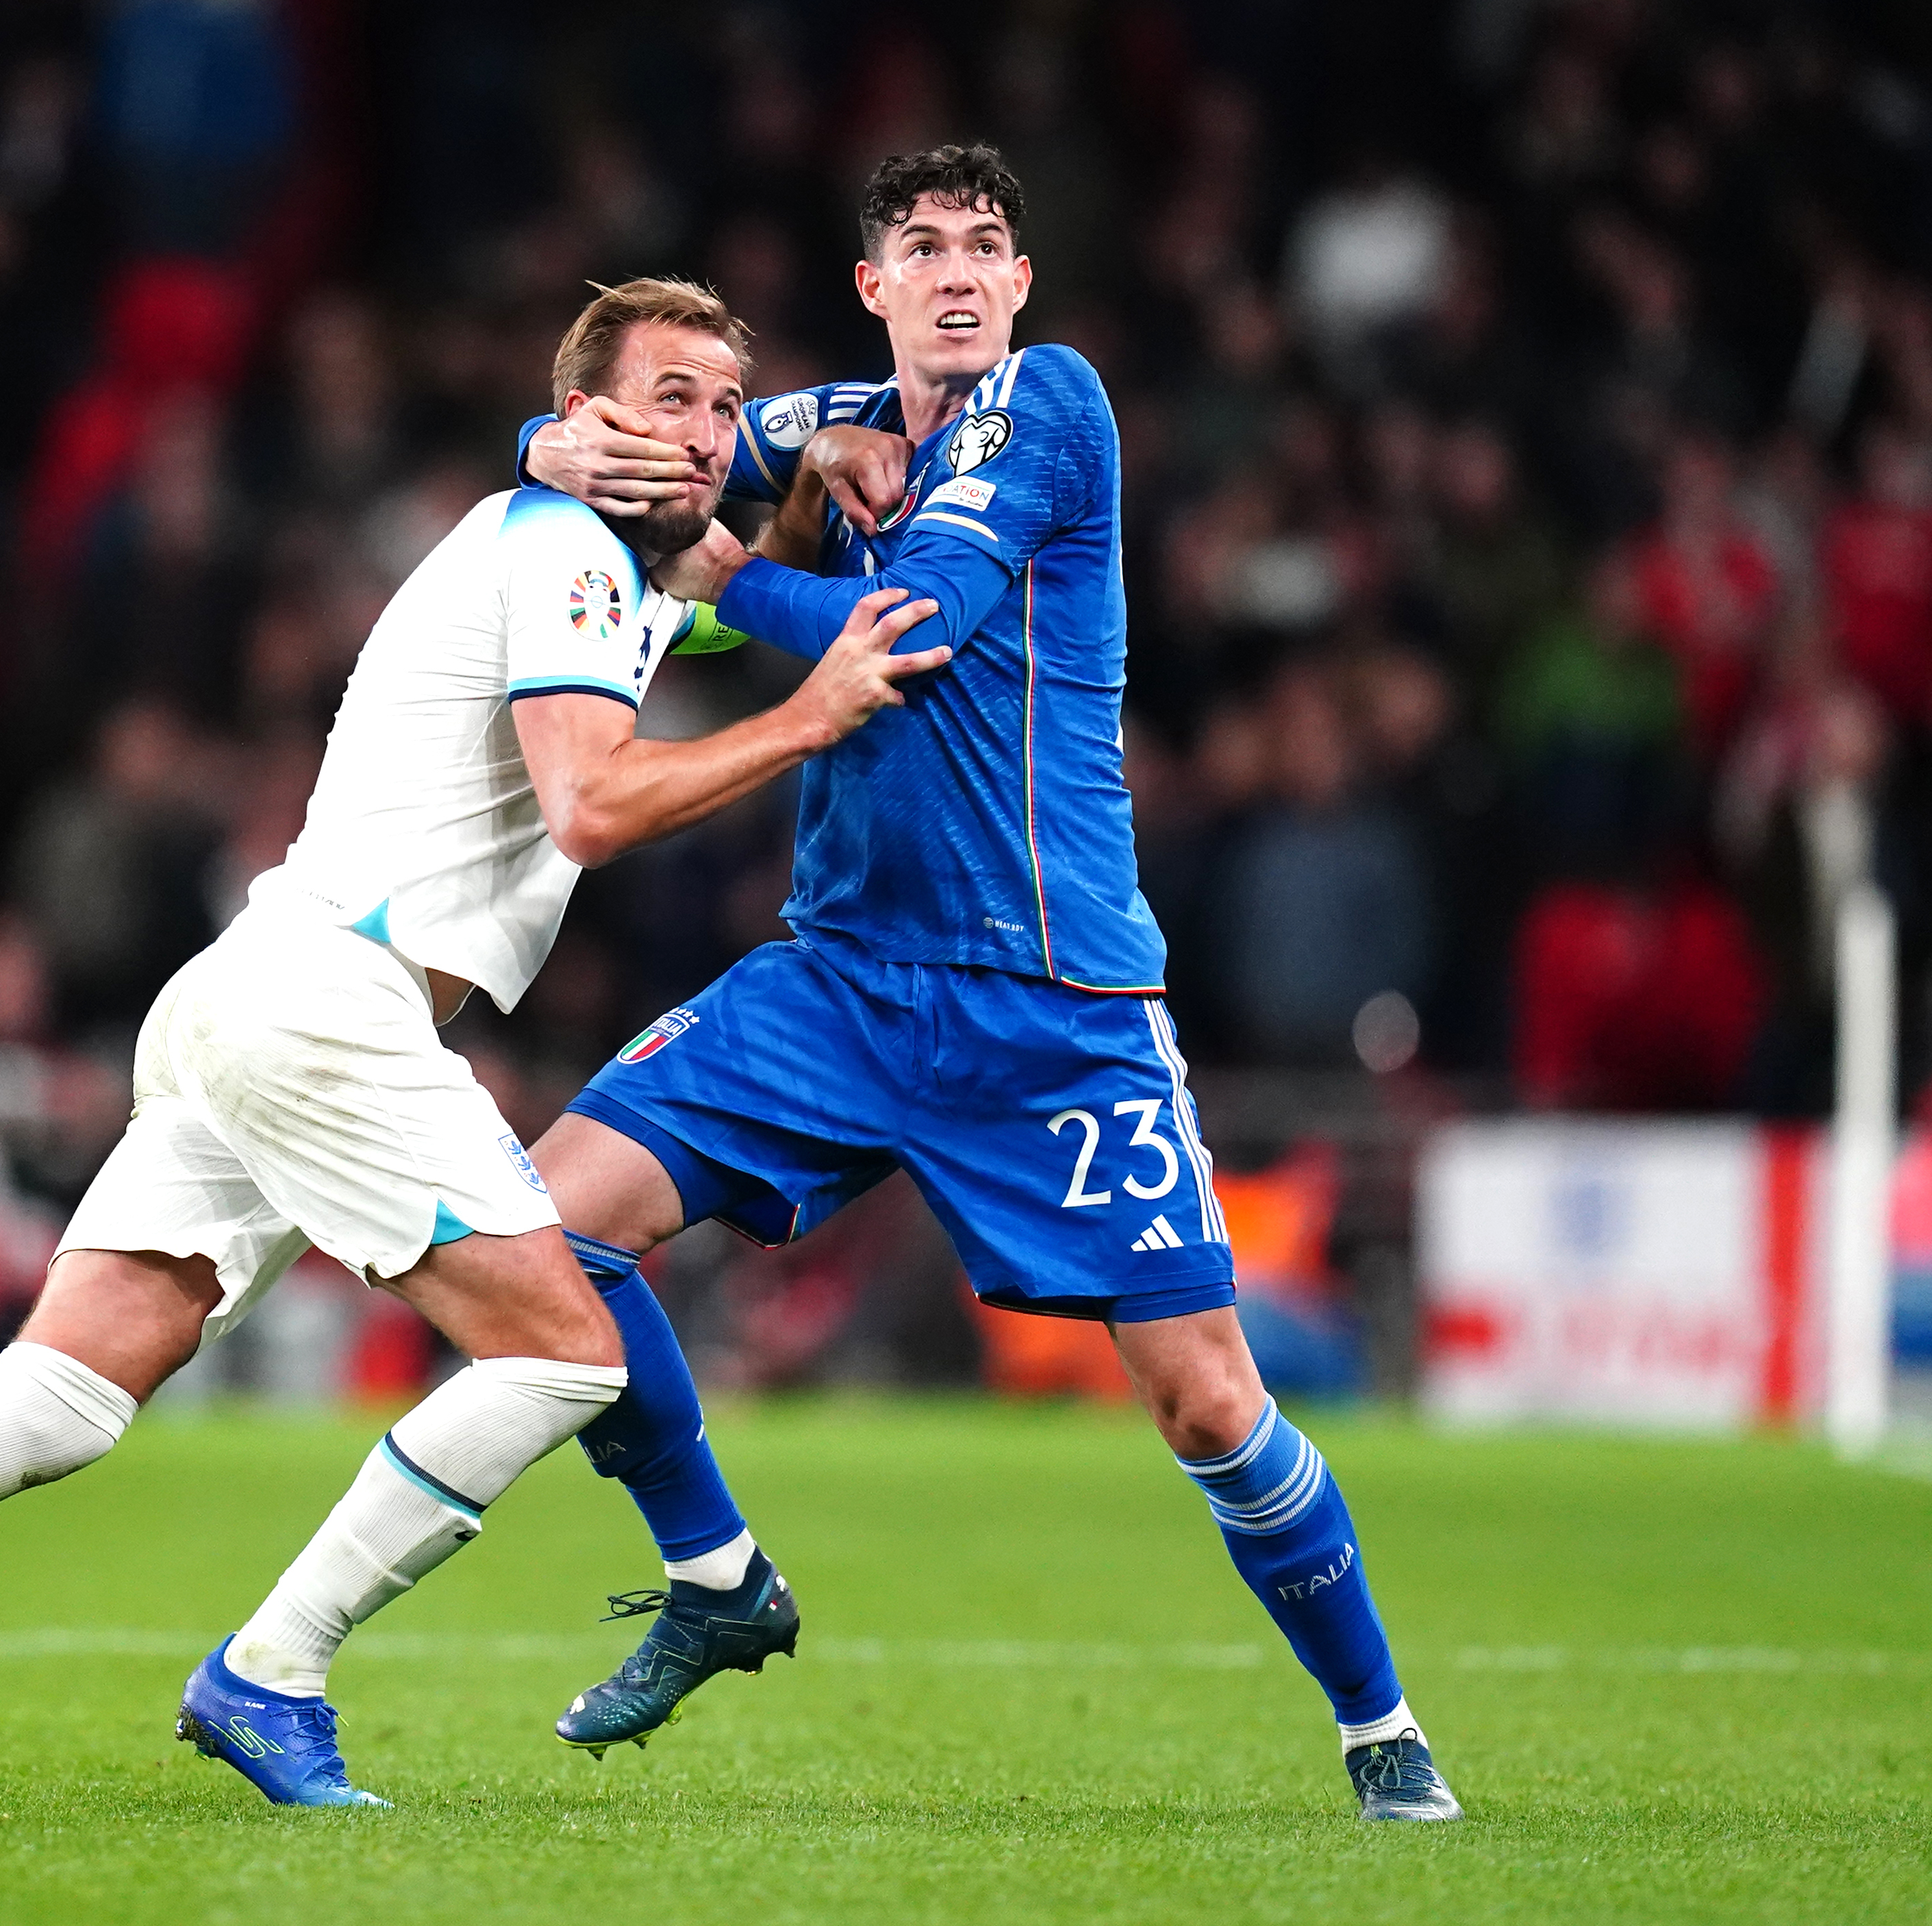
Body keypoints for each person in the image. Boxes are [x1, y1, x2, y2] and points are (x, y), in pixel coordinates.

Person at [0, 277, 947, 1808]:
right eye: (671, 398)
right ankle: (272, 1668)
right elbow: (591, 801)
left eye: (724, 406)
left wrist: (813, 451)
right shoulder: (565, 546)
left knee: (57, 1395)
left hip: (261, 990)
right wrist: (808, 716)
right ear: (588, 424)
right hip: (333, 1009)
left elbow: (729, 564)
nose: (708, 436)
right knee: (566, 1346)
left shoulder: (599, 560)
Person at [512, 145, 1461, 1822]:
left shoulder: (1056, 405)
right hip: (845, 977)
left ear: (1020, 286)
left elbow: (917, 620)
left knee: (1210, 1402)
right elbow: (648, 440)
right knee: (544, 1229)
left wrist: (721, 571)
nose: (961, 272)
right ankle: (718, 1571)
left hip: (1053, 1002)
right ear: (874, 287)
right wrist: (552, 440)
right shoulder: (827, 420)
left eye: (989, 246)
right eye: (924, 247)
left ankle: (1381, 1727)